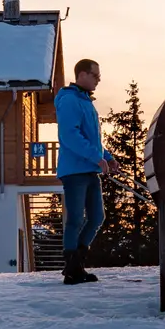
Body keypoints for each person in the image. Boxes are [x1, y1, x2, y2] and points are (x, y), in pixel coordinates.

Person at [54, 58, 117, 285]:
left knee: (97, 217)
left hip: (90, 169)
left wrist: (108, 157)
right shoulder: (70, 100)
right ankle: (72, 270)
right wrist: (96, 157)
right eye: (95, 75)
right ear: (82, 75)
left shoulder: (86, 102)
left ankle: (76, 264)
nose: (98, 80)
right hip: (74, 170)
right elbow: (70, 136)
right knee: (76, 219)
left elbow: (92, 139)